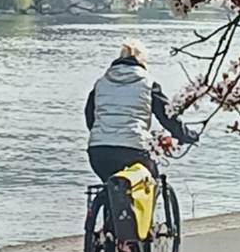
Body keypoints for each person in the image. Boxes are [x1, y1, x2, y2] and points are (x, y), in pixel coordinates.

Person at [84, 40, 198, 183]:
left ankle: (105, 202)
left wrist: (103, 135)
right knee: (152, 182)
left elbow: (90, 116)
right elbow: (167, 116)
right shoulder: (148, 83)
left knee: (110, 185)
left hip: (99, 151)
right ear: (144, 62)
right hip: (134, 150)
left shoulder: (101, 83)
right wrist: (185, 135)